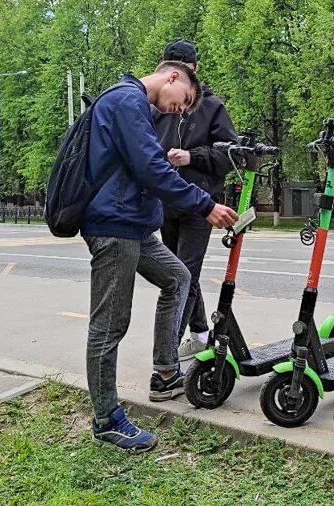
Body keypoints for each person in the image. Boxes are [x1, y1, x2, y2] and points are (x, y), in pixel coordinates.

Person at [82, 61, 238, 452]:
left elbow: (144, 168)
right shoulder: (126, 102)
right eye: (183, 100)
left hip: (134, 223)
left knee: (179, 278)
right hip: (114, 226)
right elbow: (151, 169)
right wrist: (206, 205)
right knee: (110, 325)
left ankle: (166, 372)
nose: (181, 110)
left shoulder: (139, 107)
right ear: (173, 77)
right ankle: (106, 420)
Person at [153, 39, 238, 361]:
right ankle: (200, 333)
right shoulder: (158, 107)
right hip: (166, 202)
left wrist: (192, 156)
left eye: (184, 67)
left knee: (182, 273)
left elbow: (232, 155)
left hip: (200, 203)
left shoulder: (212, 106)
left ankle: (169, 352)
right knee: (180, 272)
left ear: (195, 69)